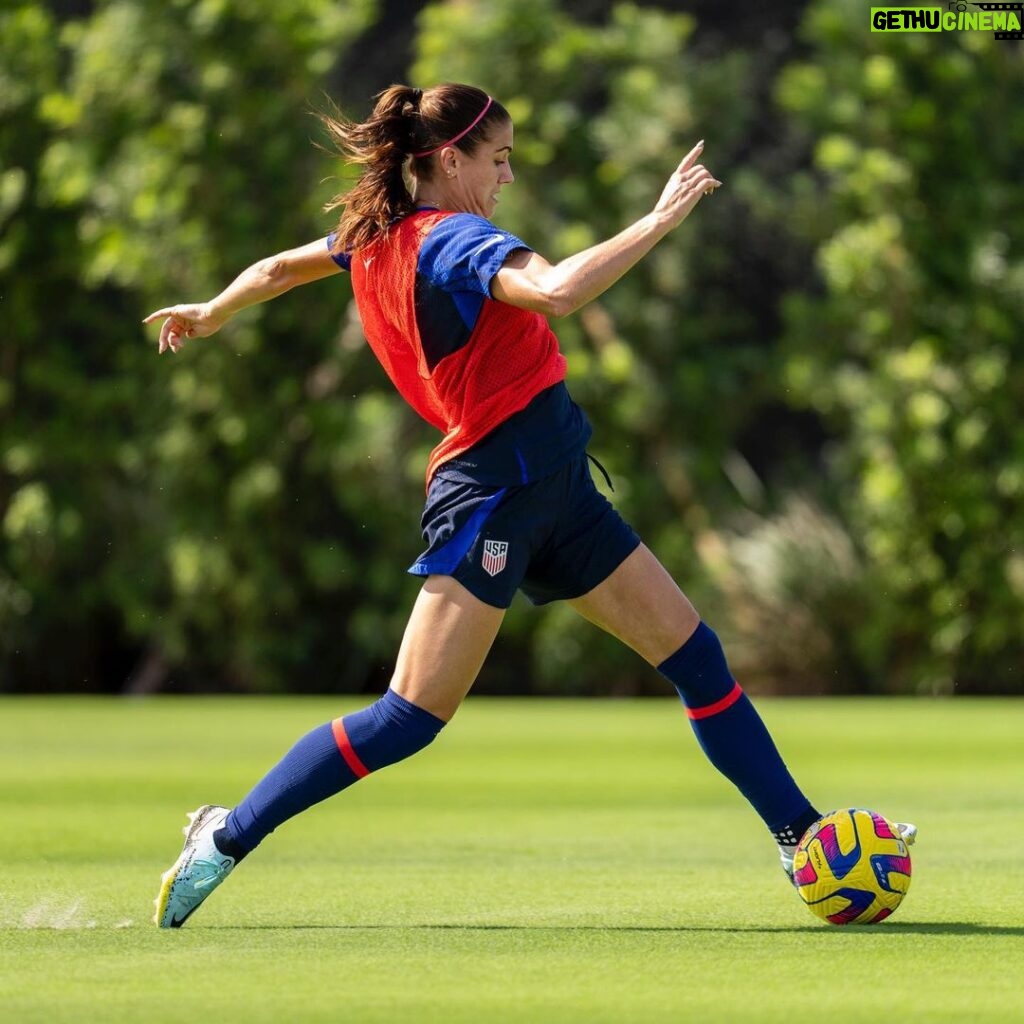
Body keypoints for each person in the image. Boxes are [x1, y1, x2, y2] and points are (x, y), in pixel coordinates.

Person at [145, 83, 914, 929]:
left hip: (557, 489)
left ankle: (804, 839)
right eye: (499, 158)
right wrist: (656, 222)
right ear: (449, 159)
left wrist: (215, 309)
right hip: (494, 497)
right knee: (408, 718)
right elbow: (554, 292)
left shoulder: (373, 237)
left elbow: (281, 266)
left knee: (698, 661)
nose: (507, 176)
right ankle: (225, 836)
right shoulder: (453, 239)